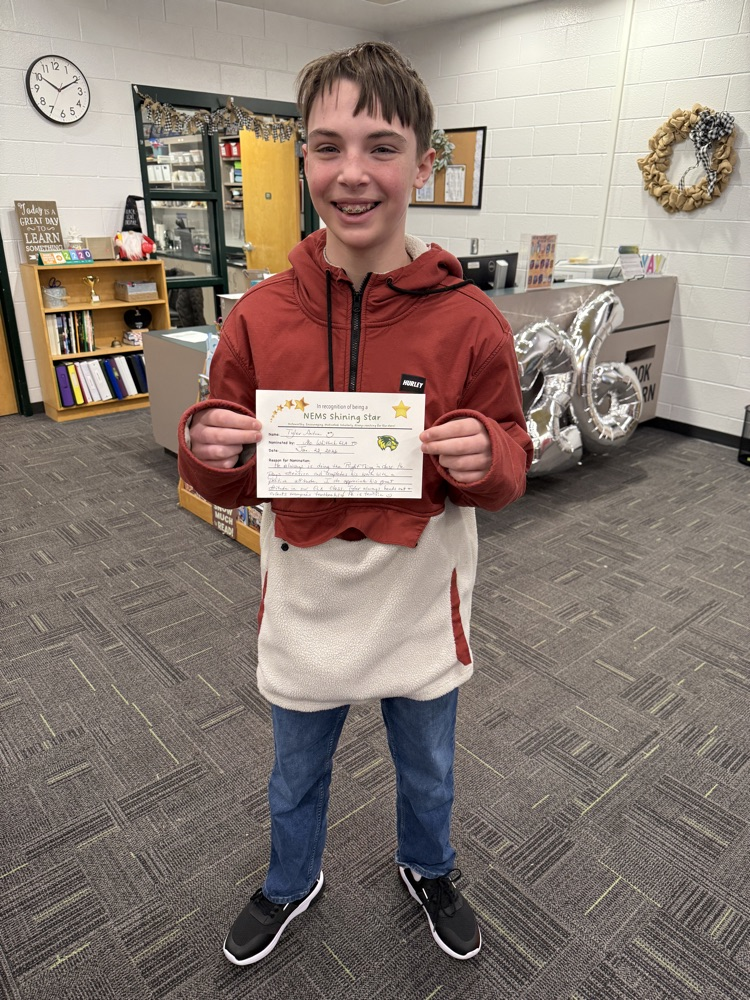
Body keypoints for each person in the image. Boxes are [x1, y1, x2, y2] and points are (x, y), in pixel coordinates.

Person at [177, 41, 533, 967]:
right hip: (307, 590)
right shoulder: (259, 316)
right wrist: (206, 448)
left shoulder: (470, 320)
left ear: (424, 160)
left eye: (381, 146)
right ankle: (291, 880)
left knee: (429, 770)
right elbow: (229, 475)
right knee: (295, 771)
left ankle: (431, 866)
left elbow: (510, 467)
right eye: (327, 146)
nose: (353, 173)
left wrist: (484, 451)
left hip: (420, 589)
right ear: (304, 161)